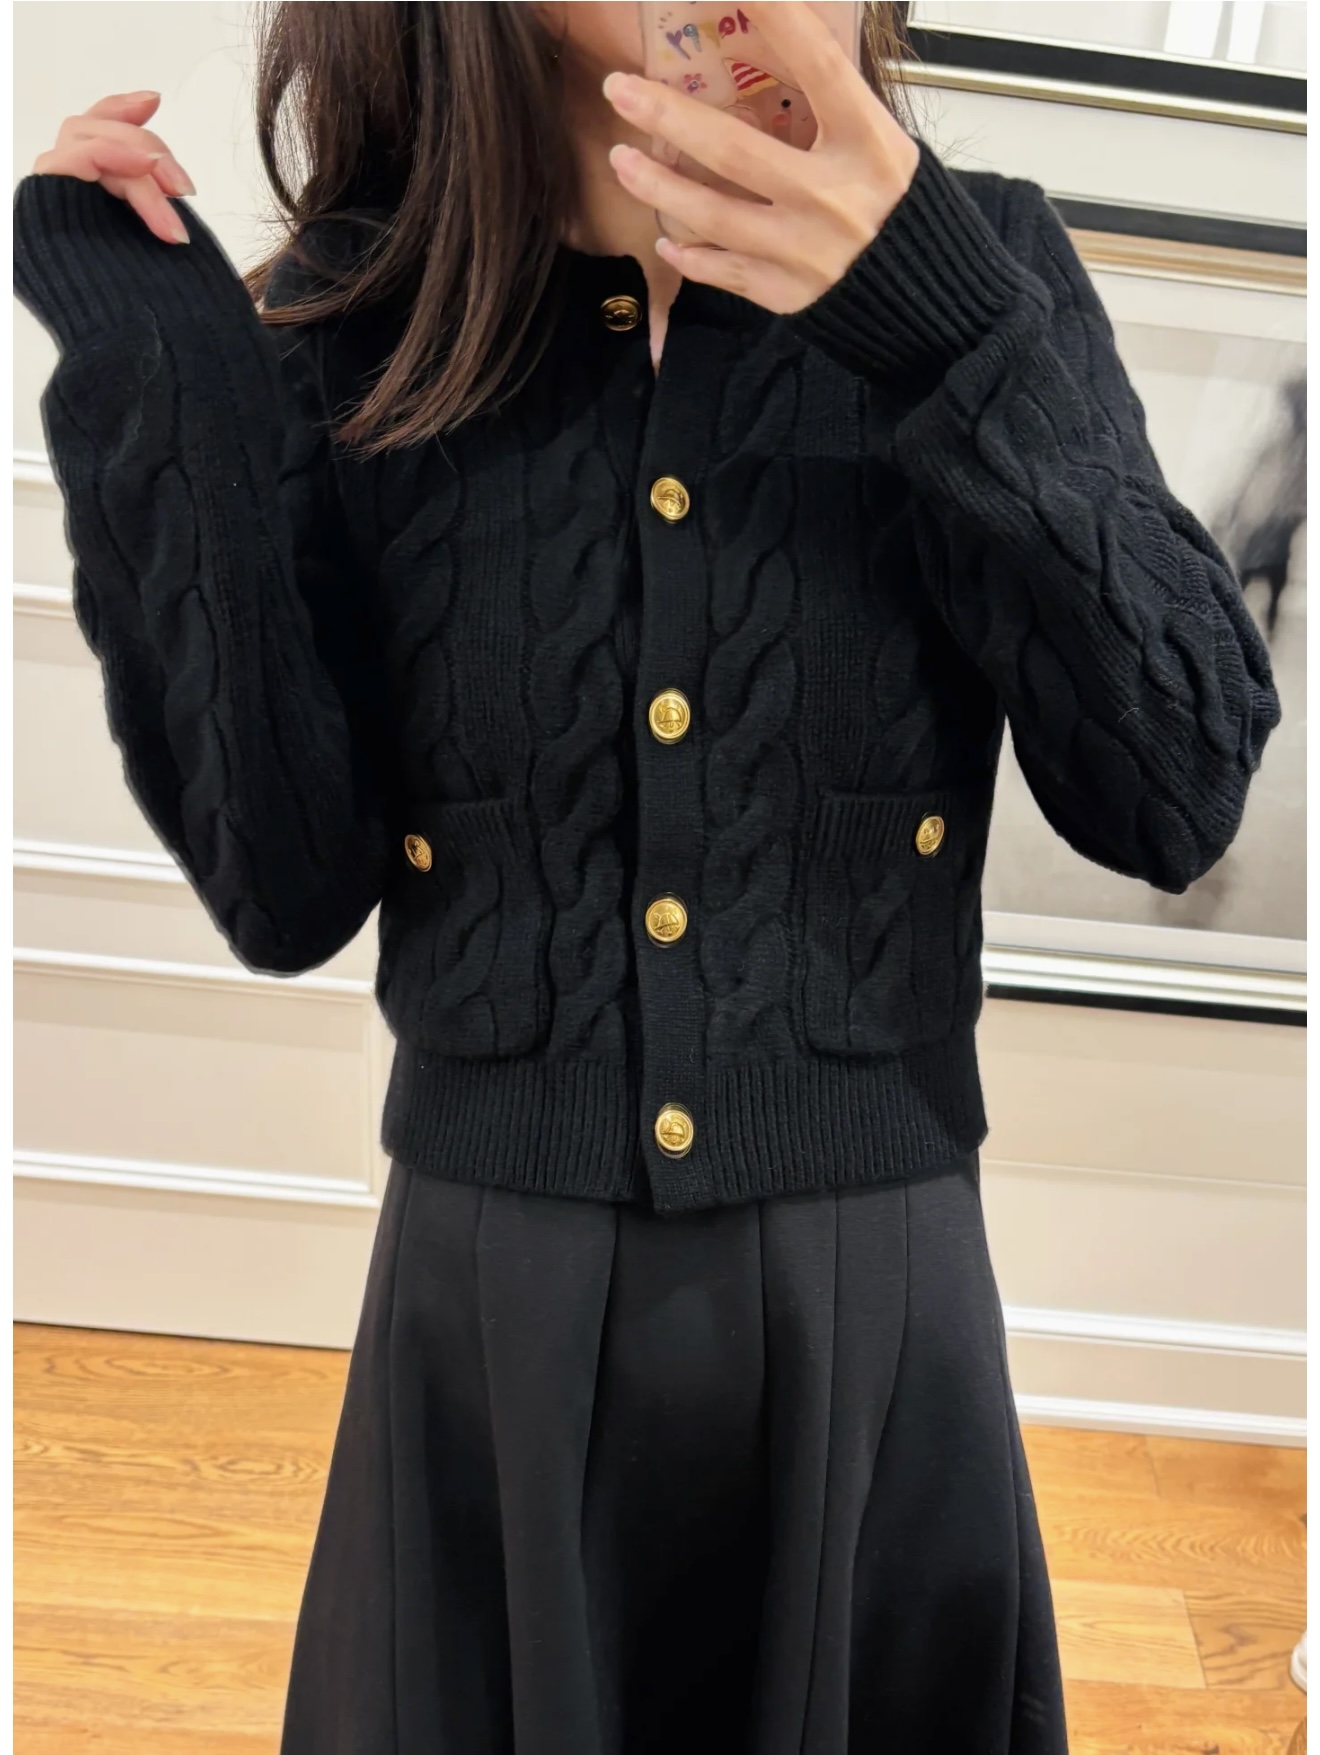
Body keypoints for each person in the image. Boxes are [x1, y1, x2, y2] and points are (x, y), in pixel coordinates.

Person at [12, 4, 1281, 1751]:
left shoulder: (983, 264)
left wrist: (935, 326)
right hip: (487, 1315)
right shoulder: (364, 311)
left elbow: (1178, 787)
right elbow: (287, 883)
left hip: (876, 1307)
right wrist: (162, 387)